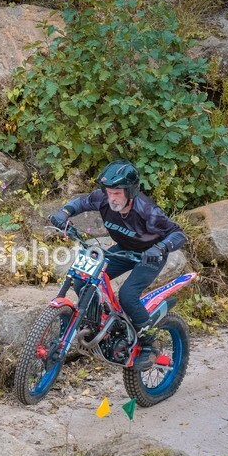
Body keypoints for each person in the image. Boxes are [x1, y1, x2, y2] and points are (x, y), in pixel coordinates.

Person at [49, 159, 187, 370]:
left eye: (117, 193)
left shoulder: (147, 211)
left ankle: (149, 345)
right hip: (123, 250)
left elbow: (178, 234)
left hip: (149, 256)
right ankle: (100, 321)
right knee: (82, 280)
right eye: (108, 192)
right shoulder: (103, 199)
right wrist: (64, 213)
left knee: (128, 295)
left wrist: (159, 248)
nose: (111, 198)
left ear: (130, 191)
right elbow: (80, 203)